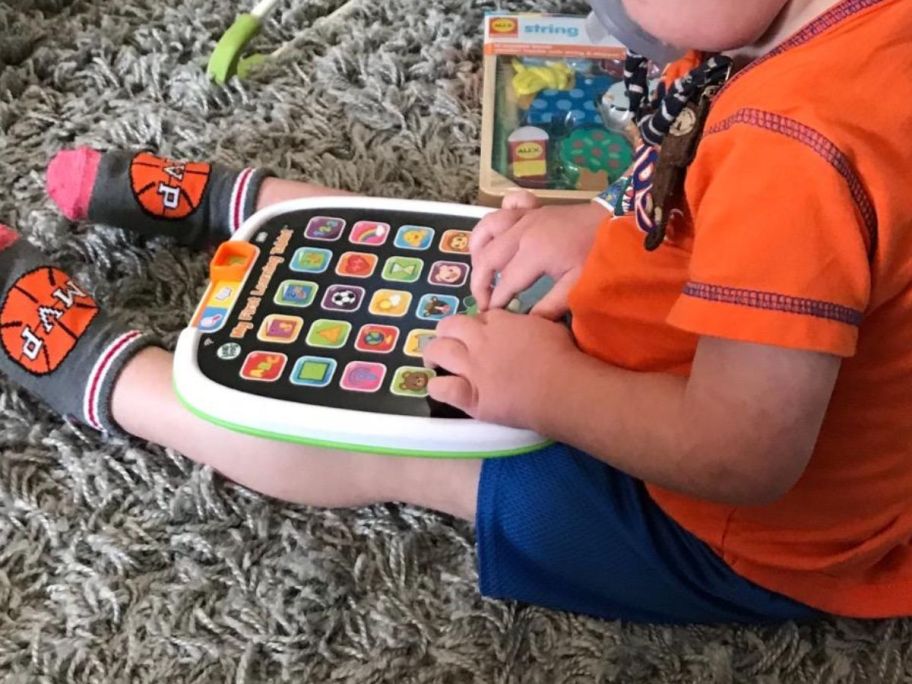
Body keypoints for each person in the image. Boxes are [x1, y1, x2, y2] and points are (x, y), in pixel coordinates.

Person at [2, 0, 910, 624]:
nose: (617, 22)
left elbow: (740, 452)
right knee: (486, 246)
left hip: (733, 532)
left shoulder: (797, 150)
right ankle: (241, 208)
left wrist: (550, 390)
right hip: (698, 321)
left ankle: (112, 380)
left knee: (389, 444)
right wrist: (602, 227)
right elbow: (720, 180)